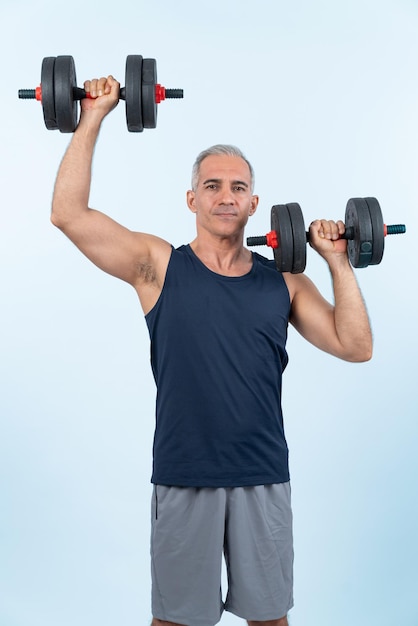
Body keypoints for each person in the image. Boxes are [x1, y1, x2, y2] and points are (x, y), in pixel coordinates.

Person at [50, 75, 372, 626]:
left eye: (239, 187)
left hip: (262, 473)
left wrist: (338, 260)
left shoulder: (286, 283)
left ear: (255, 204)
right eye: (214, 185)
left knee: (270, 619)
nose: (227, 196)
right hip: (184, 472)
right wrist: (94, 114)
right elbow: (68, 215)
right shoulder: (159, 267)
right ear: (192, 198)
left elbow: (355, 345)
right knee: (175, 621)